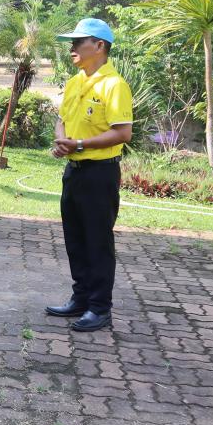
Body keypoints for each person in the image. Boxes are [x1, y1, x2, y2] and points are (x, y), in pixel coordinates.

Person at [46, 18, 133, 333]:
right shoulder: (74, 82)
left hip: (100, 173)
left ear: (99, 46)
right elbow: (61, 120)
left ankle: (100, 308)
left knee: (97, 241)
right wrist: (63, 141)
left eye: (78, 41)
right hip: (75, 171)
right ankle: (80, 298)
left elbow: (123, 133)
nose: (71, 48)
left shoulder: (114, 85)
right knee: (75, 239)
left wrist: (80, 144)